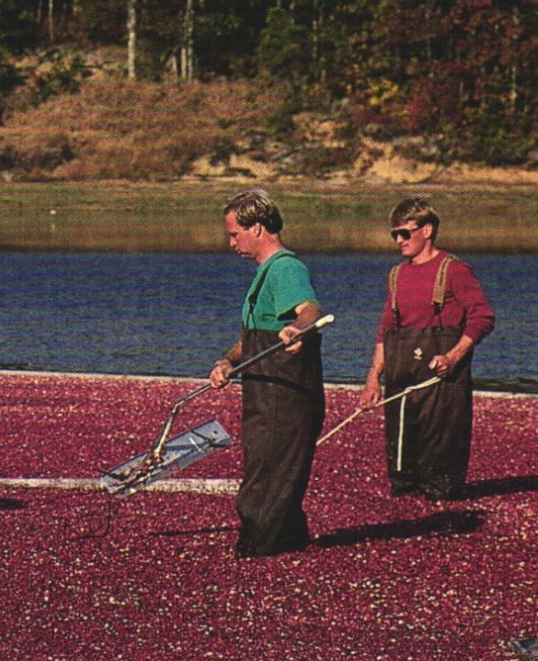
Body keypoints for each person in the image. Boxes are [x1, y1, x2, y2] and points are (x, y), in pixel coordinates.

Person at [209, 190, 326, 557]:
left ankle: (260, 545)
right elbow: (252, 337)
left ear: (257, 228)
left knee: (268, 472)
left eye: (234, 233)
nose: (230, 242)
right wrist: (227, 361)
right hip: (263, 390)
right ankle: (288, 541)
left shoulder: (286, 268)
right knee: (266, 463)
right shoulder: (264, 274)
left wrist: (298, 329)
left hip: (285, 393)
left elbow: (309, 310)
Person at [357, 198, 494, 499]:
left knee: (440, 459)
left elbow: (483, 317)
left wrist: (454, 356)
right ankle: (406, 497)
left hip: (442, 375)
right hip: (401, 373)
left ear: (427, 230)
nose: (398, 241)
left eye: (405, 233)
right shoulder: (396, 275)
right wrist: (372, 379)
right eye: (394, 234)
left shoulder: (454, 270)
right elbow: (385, 331)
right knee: (402, 452)